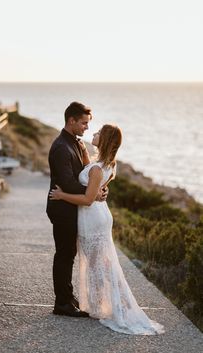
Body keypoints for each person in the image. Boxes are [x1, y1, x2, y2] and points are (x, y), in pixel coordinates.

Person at [49, 124, 165, 335]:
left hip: (92, 217)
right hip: (99, 214)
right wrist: (85, 152)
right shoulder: (106, 164)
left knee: (98, 264)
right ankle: (106, 304)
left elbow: (86, 199)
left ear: (105, 140)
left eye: (99, 133)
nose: (93, 133)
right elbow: (95, 187)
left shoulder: (96, 168)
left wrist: (62, 195)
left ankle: (112, 306)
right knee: (101, 263)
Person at [46, 102, 107, 318]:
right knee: (64, 254)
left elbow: (86, 175)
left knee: (69, 254)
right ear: (71, 120)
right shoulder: (61, 147)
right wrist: (93, 194)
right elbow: (68, 183)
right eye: (83, 123)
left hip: (73, 206)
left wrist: (99, 189)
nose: (86, 128)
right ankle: (61, 303)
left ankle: (68, 297)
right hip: (61, 207)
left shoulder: (77, 144)